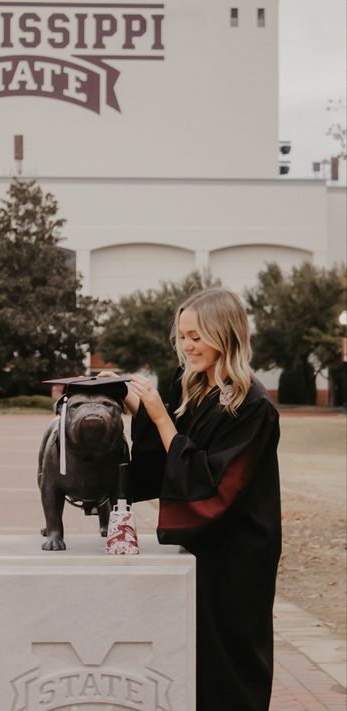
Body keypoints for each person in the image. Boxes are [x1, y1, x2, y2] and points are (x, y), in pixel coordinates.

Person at [102, 287, 282, 711]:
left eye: (197, 336)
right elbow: (170, 449)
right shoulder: (203, 393)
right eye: (183, 336)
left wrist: (161, 417)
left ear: (225, 334)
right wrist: (130, 400)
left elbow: (213, 486)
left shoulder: (253, 406)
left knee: (231, 664)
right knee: (197, 661)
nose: (187, 345)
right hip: (208, 548)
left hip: (238, 556)